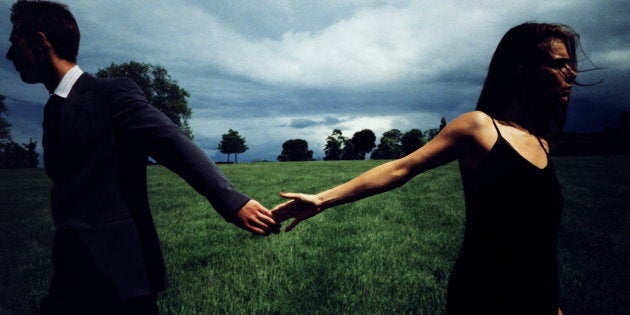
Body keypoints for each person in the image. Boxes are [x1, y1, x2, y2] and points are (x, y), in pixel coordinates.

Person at [273, 22, 583, 314]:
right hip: (485, 297)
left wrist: (552, 304)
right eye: (558, 64)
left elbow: (539, 244)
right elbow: (401, 168)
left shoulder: (542, 143)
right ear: (521, 72)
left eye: (570, 64)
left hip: (538, 300)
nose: (570, 73)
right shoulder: (480, 128)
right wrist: (321, 200)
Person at [5, 1, 278, 313]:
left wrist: (231, 201)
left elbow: (171, 142)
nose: (9, 55)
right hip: (72, 270)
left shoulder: (110, 94)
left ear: (41, 42)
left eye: (15, 43)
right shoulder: (54, 108)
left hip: (120, 277)